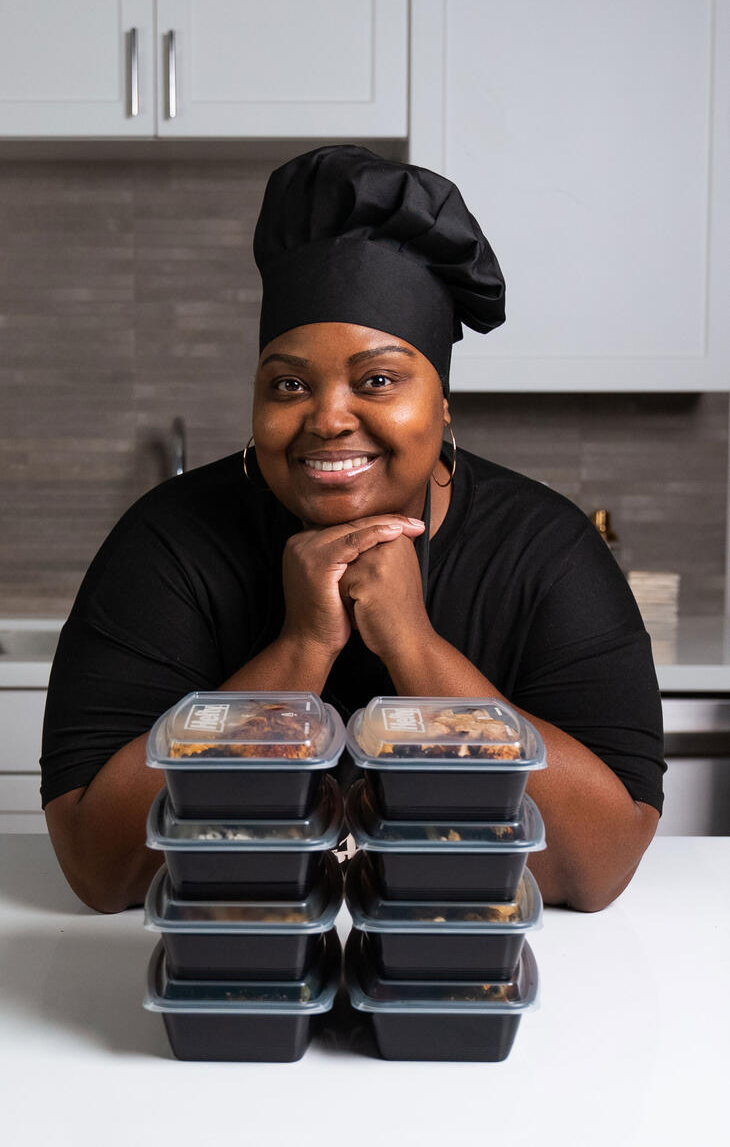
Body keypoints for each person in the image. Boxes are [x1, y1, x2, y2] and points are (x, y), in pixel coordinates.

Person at [41, 145, 664, 914]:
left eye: (377, 379)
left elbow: (601, 864)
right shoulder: (168, 545)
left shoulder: (547, 552)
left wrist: (415, 646)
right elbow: (100, 867)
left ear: (442, 405)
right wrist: (301, 649)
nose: (329, 417)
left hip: (453, 971)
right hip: (234, 963)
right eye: (289, 383)